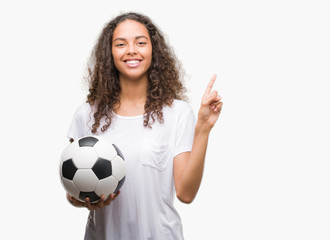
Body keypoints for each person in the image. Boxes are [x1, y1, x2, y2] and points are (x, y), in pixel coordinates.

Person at [65, 12, 223, 240]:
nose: (131, 50)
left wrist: (203, 128)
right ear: (110, 53)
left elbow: (186, 194)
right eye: (121, 44)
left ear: (153, 51)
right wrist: (83, 201)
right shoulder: (87, 115)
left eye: (141, 42)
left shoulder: (177, 113)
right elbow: (74, 188)